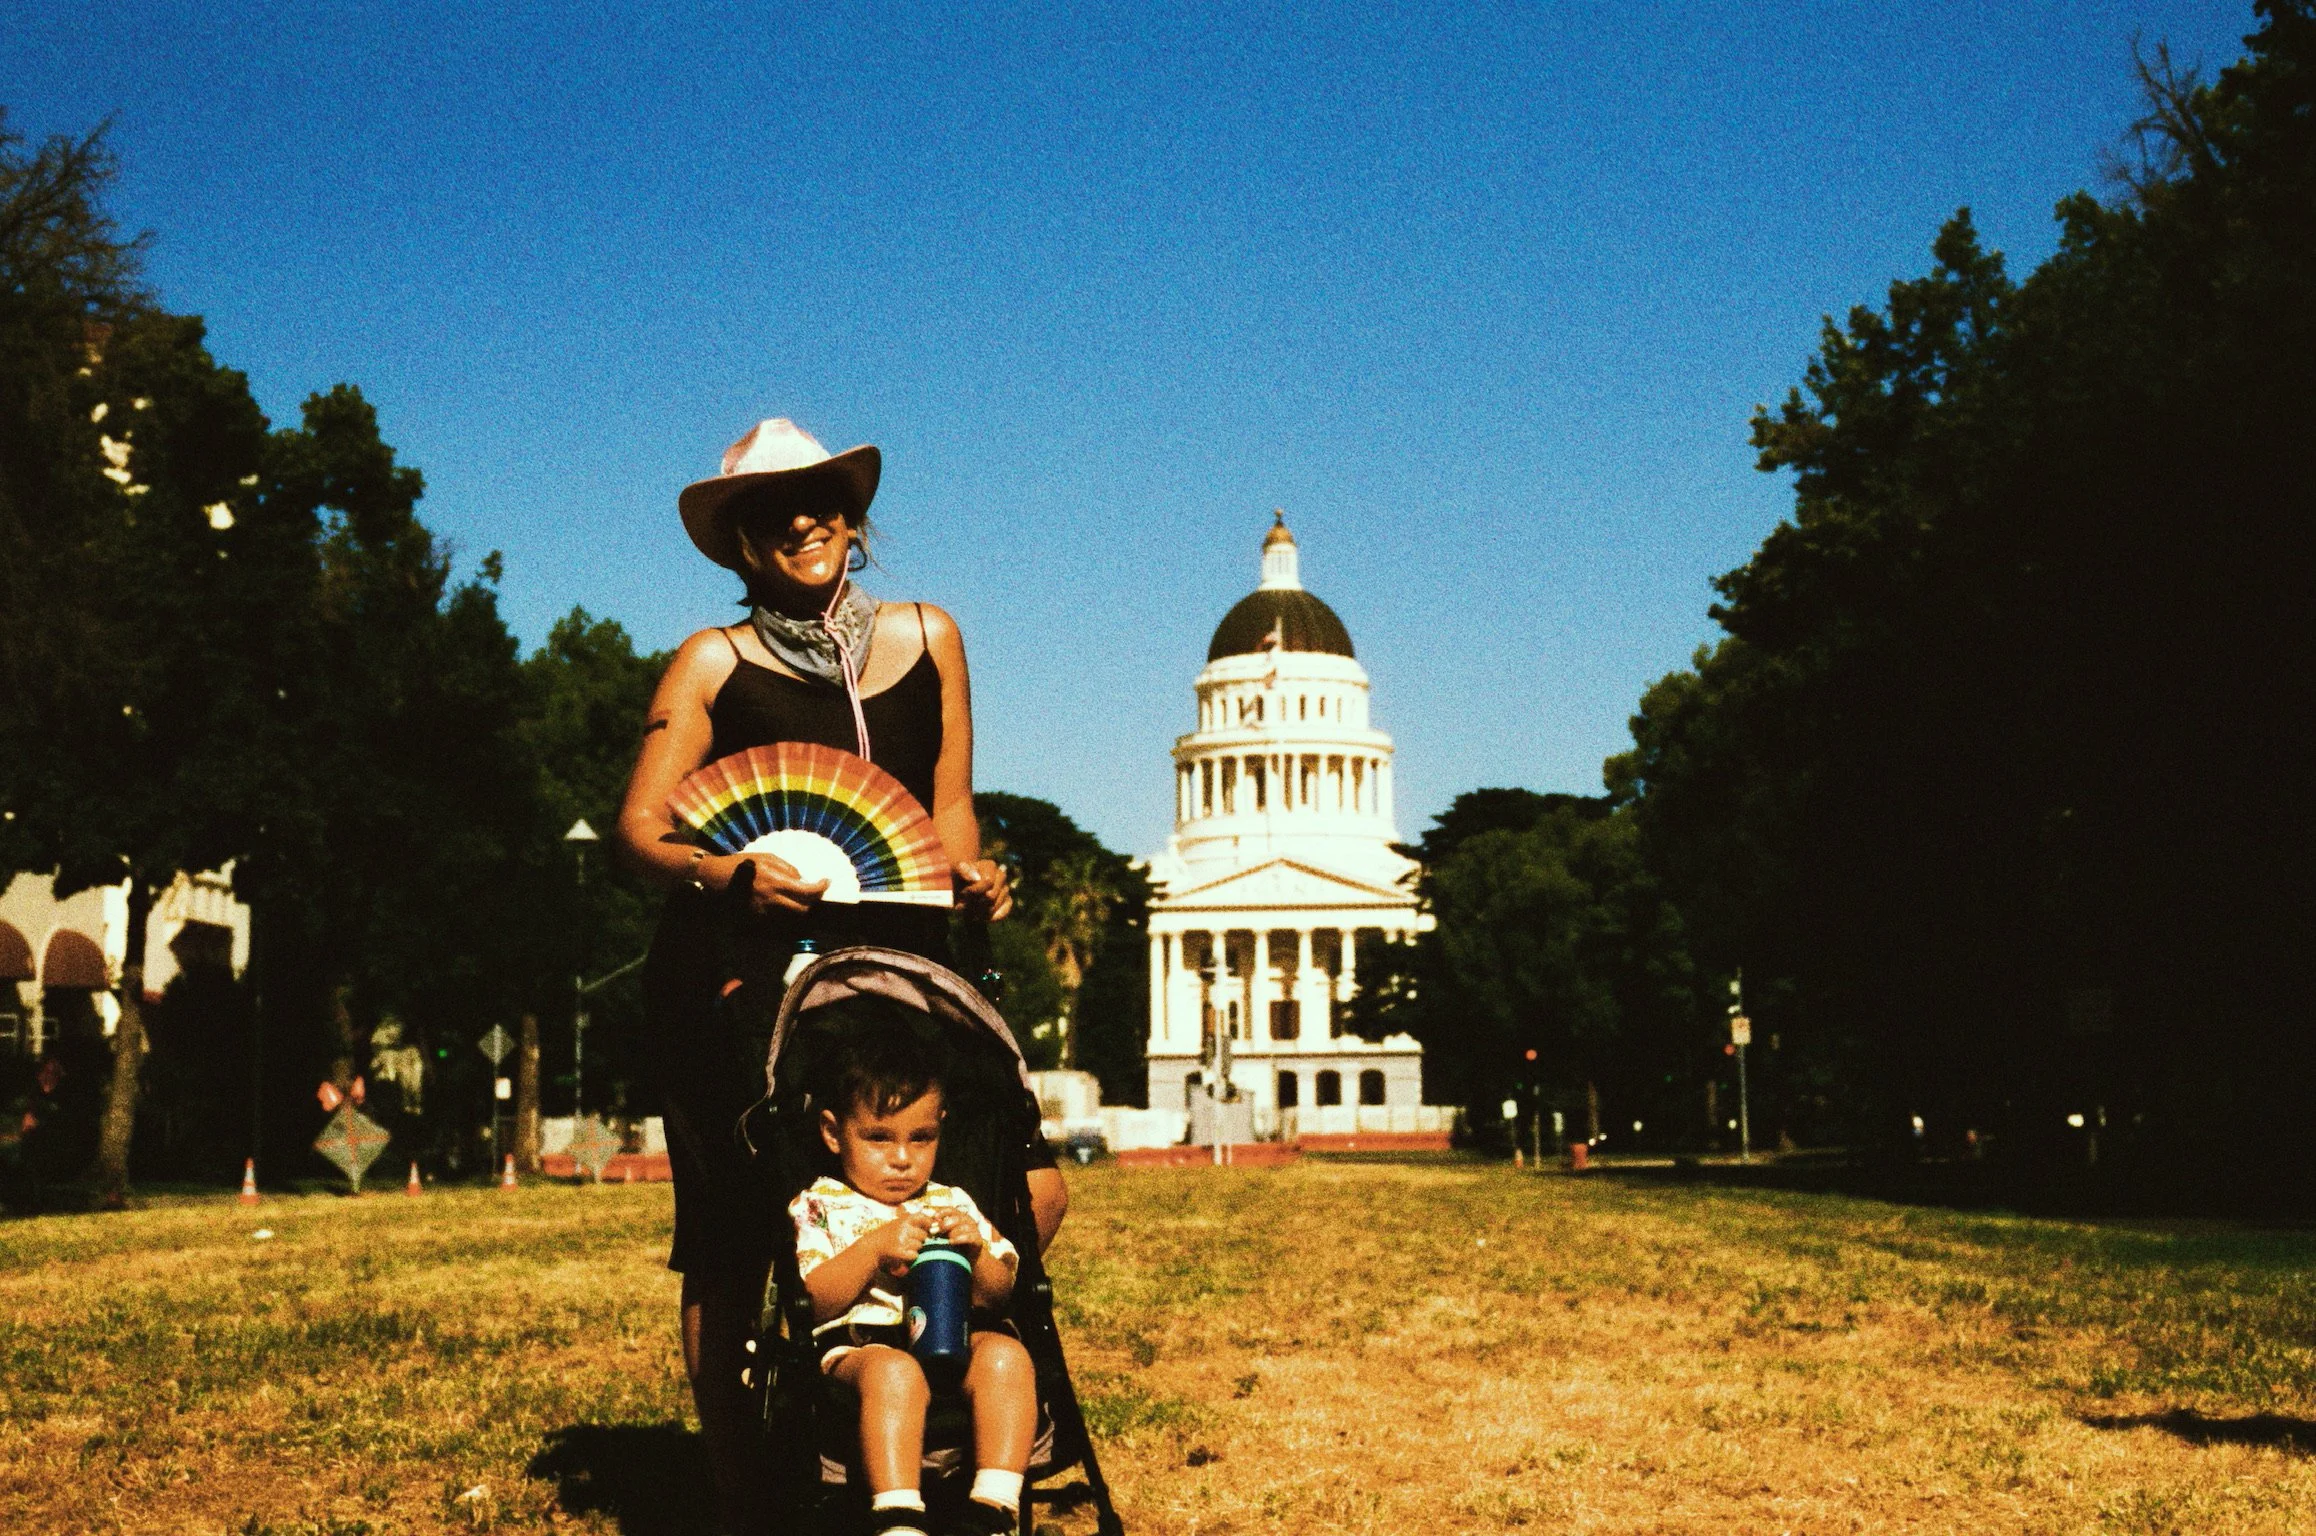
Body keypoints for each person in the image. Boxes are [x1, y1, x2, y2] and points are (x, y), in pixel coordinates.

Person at [615, 418, 1068, 1534]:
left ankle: (921, 1398)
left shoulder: (931, 634)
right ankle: (739, 1494)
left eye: (818, 500)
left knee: (1033, 1186)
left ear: (850, 515)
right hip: (742, 972)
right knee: (731, 1243)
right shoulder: (714, 661)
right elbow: (638, 829)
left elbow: (949, 806)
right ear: (739, 546)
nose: (801, 523)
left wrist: (976, 877)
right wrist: (726, 876)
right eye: (769, 513)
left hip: (908, 960)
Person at [793, 1020, 1035, 1536]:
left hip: (955, 1341)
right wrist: (871, 1250)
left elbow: (1000, 1296)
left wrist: (976, 1254)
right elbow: (811, 1299)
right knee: (894, 1373)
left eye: (921, 1138)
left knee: (1008, 1355)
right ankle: (900, 1516)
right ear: (834, 1133)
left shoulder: (950, 1202)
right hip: (860, 1349)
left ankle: (993, 1507)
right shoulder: (820, 1205)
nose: (902, 1159)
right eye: (879, 1138)